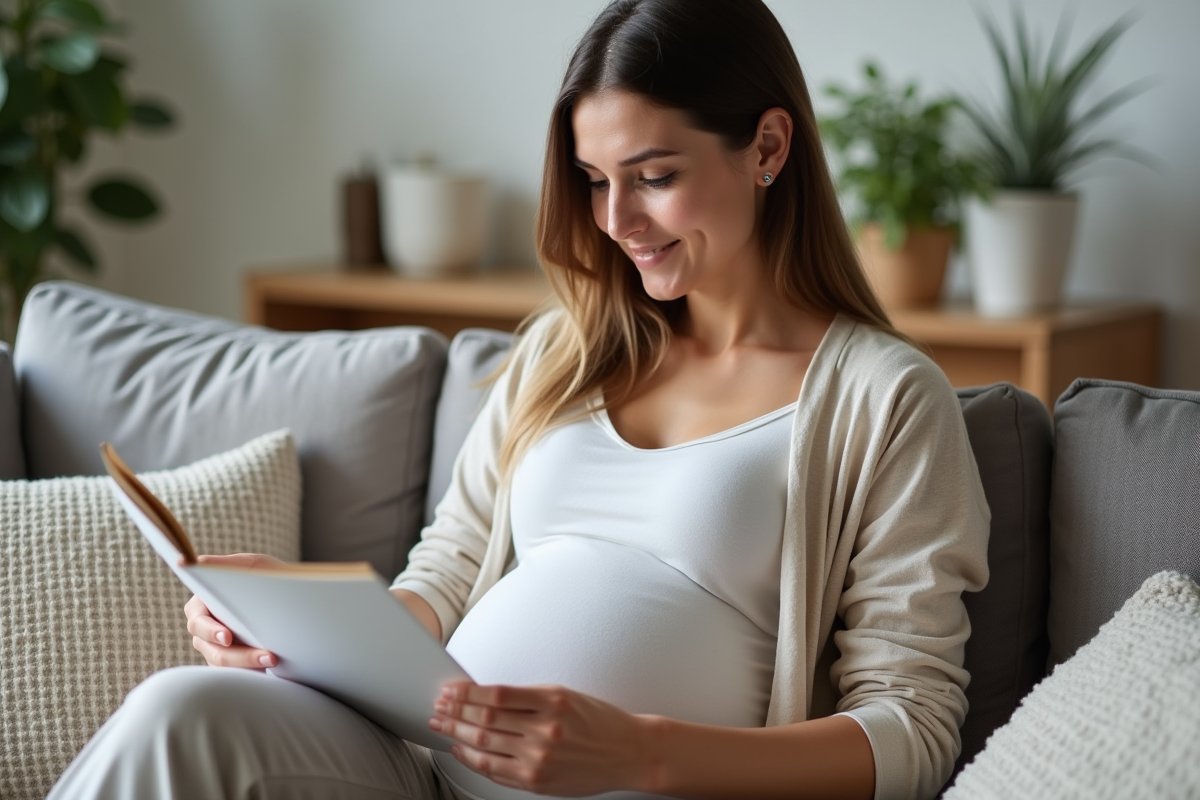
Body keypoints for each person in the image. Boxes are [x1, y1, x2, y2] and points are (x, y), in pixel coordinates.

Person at [49, 1, 989, 798]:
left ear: (768, 147)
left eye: (655, 178)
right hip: (426, 772)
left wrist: (640, 750)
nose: (616, 221)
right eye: (595, 182)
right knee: (178, 707)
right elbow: (447, 575)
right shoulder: (561, 353)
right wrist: (297, 632)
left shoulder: (885, 399)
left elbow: (911, 728)